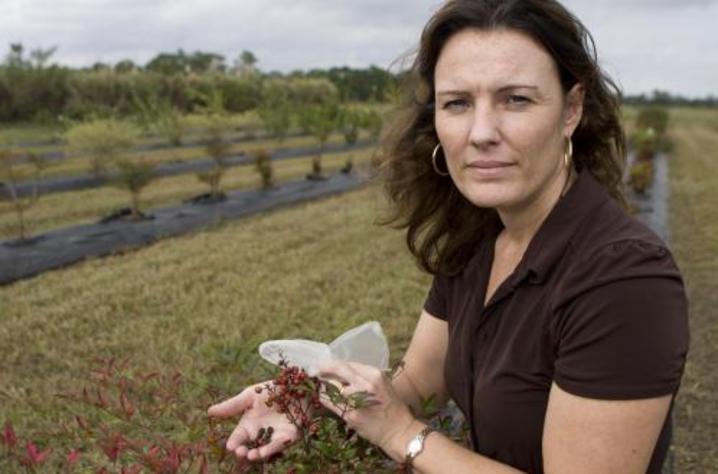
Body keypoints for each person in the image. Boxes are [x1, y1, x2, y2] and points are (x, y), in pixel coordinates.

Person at [208, 0, 689, 472]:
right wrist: (309, 400)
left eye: (515, 99)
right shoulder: (480, 242)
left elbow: (401, 419)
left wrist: (401, 435)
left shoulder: (624, 279)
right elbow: (418, 382)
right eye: (457, 103)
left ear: (571, 110)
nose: (481, 132)